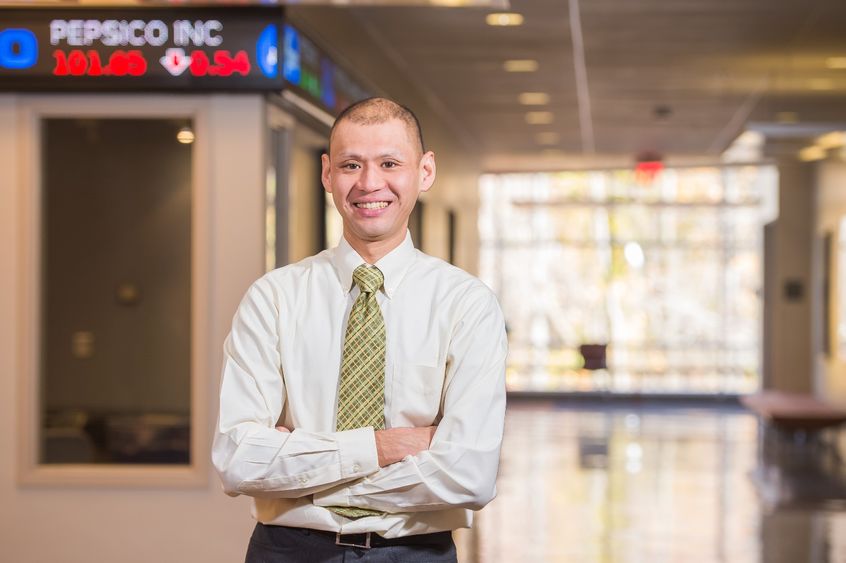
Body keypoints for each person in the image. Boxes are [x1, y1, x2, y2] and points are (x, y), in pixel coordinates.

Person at [212, 97, 507, 562]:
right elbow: (237, 460)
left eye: (390, 163)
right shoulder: (273, 298)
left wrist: (304, 472)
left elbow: (468, 473)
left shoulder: (466, 305)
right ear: (327, 173)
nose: (370, 183)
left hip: (415, 553)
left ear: (424, 171)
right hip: (287, 552)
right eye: (351, 165)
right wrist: (383, 446)